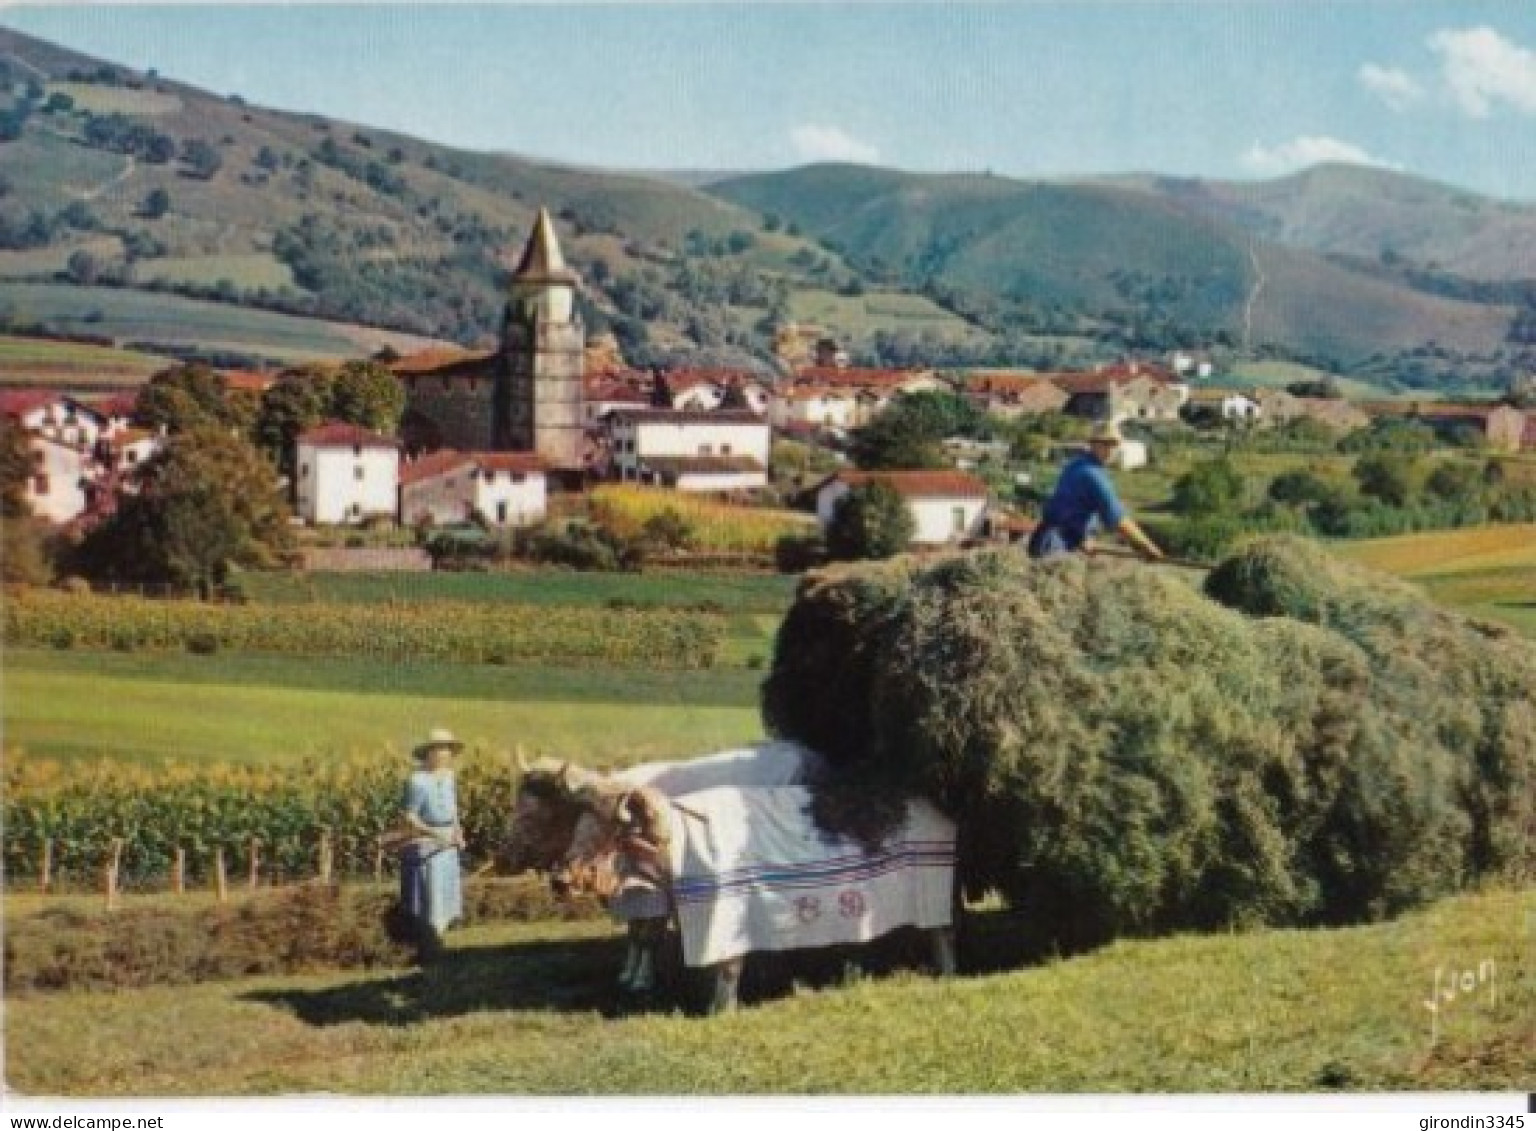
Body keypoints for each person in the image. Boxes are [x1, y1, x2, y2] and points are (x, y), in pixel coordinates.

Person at [1027, 420, 1164, 562]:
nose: (1110, 449)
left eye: (1113, 444)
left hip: (1054, 539)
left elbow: (1072, 510)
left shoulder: (1078, 464)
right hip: (1055, 544)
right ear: (1093, 444)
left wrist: (1083, 539)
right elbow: (1118, 518)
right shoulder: (1092, 474)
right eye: (1104, 444)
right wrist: (1147, 546)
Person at [398, 726, 466, 963]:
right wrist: (435, 834)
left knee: (446, 894)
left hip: (447, 843)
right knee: (431, 895)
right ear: (429, 753)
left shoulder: (449, 777)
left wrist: (458, 833)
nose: (445, 754)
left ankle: (438, 943)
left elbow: (453, 808)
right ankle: (429, 949)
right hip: (427, 843)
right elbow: (410, 817)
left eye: (448, 749)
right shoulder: (417, 781)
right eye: (440, 749)